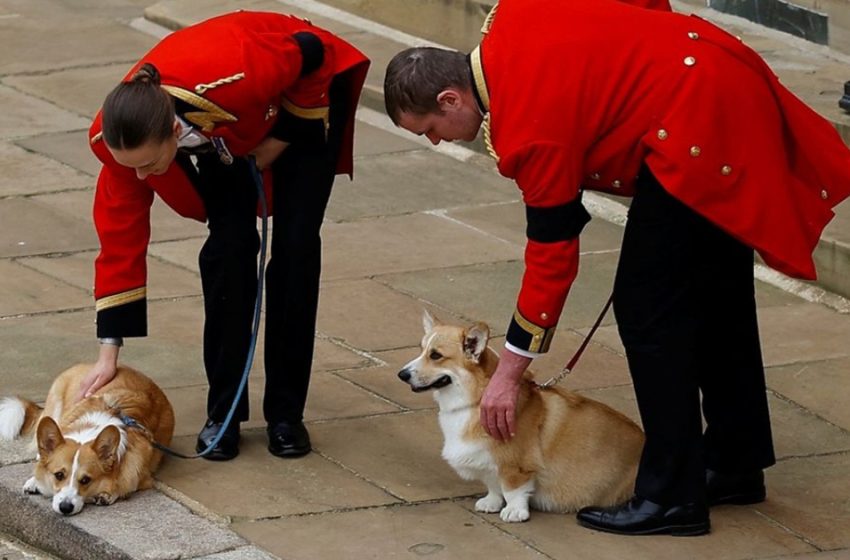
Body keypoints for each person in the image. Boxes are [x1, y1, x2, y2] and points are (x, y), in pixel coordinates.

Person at [383, 0, 850, 536]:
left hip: (698, 125)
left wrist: (507, 375)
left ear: (451, 96)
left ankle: (673, 495)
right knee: (715, 292)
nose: (438, 141)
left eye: (432, 129)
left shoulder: (527, 127)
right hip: (712, 74)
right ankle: (732, 462)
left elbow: (553, 258)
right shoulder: (509, 15)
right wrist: (653, 54)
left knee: (649, 309)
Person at [82, 11, 369, 461]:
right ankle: (225, 413)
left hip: (300, 101)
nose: (138, 175)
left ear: (174, 132)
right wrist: (108, 352)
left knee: (295, 248)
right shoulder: (120, 138)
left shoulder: (239, 71)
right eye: (130, 165)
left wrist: (282, 138)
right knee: (228, 252)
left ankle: (286, 415)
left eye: (147, 164)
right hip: (227, 133)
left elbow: (315, 54)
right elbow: (119, 240)